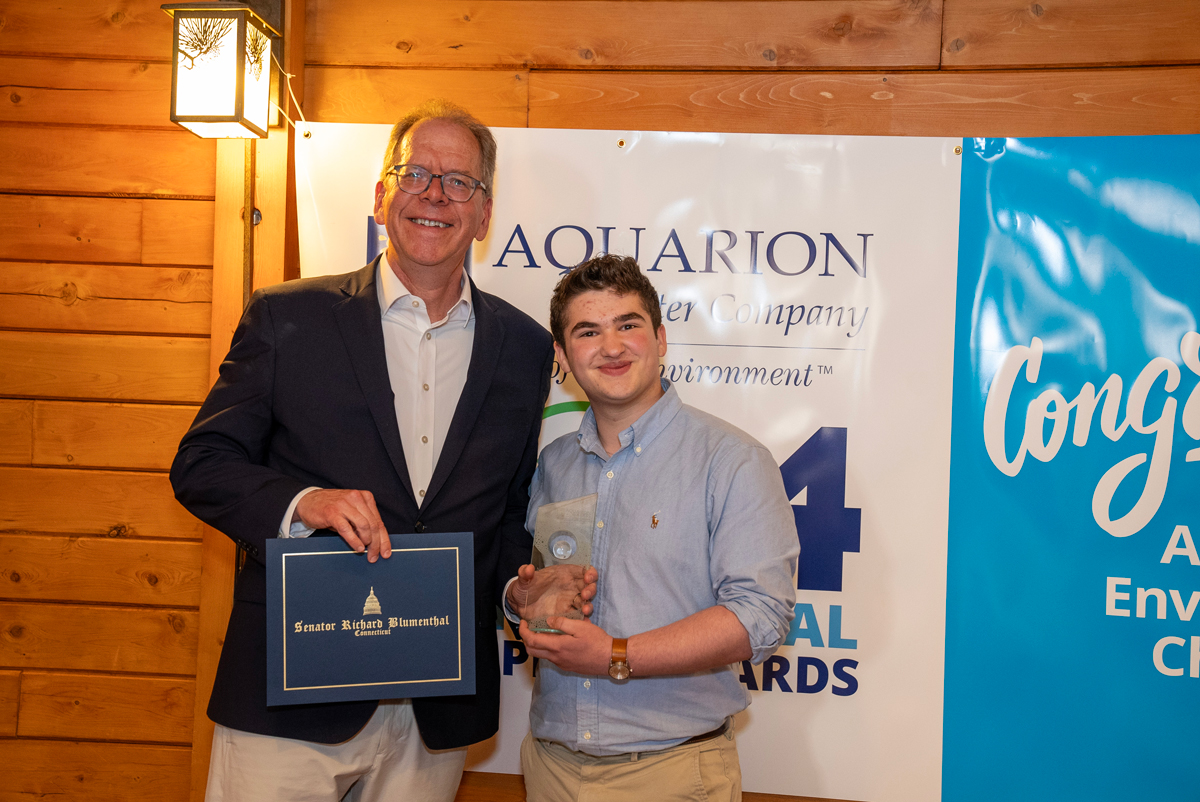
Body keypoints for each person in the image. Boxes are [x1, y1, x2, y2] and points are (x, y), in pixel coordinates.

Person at [171, 99, 594, 802]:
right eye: (416, 173)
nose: (435, 194)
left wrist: (523, 587)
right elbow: (202, 464)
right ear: (380, 196)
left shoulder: (522, 350)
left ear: (485, 214)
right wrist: (305, 503)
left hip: (433, 708)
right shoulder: (287, 317)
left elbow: (506, 511)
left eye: (460, 182)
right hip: (292, 695)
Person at [515, 254, 800, 802]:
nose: (613, 346)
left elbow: (761, 615)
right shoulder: (552, 464)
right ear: (563, 355)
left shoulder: (732, 460)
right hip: (549, 767)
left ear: (662, 338)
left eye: (629, 325)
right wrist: (525, 599)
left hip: (672, 774)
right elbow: (535, 588)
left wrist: (615, 655)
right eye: (588, 331)